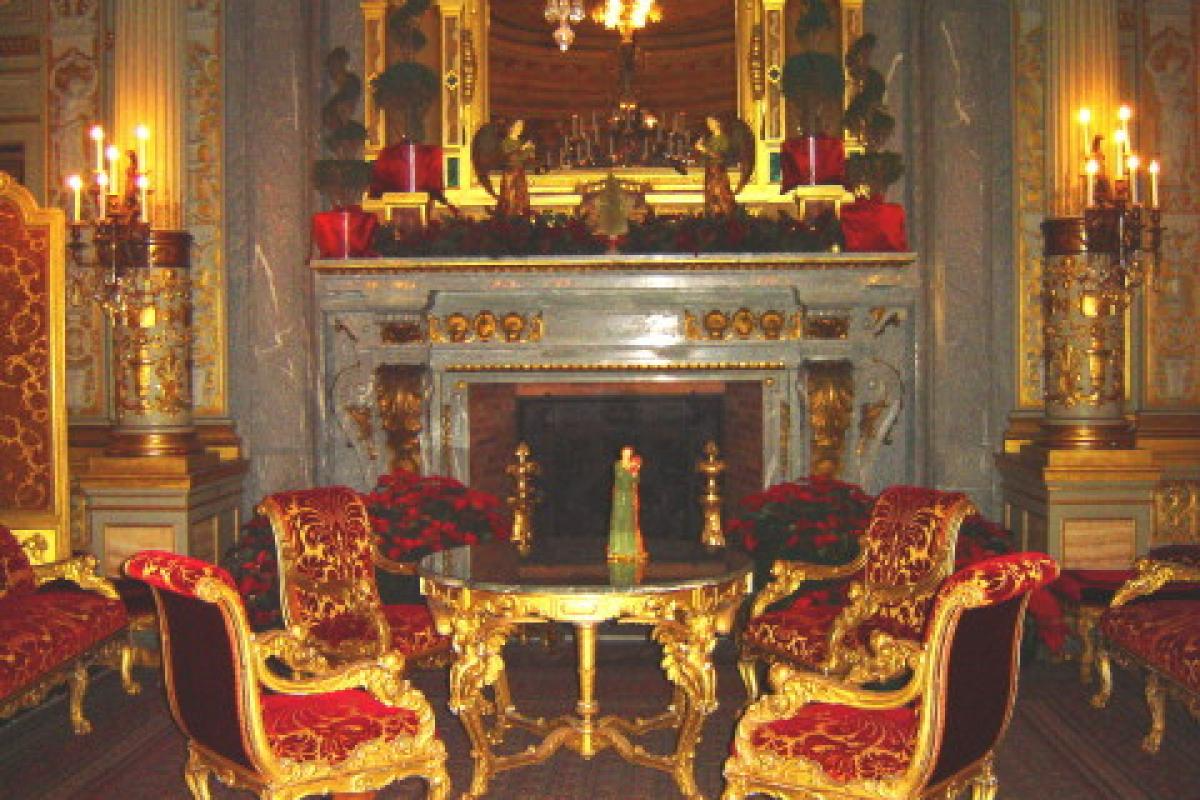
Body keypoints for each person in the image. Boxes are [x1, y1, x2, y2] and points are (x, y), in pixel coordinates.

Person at [695, 115, 736, 215]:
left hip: (718, 172)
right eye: (708, 123)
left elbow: (720, 155)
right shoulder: (710, 139)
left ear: (718, 123)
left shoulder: (724, 139)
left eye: (711, 122)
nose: (709, 125)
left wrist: (704, 149)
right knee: (710, 197)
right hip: (710, 172)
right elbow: (705, 157)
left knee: (721, 196)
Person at [498, 119, 536, 216]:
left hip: (519, 173)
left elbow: (524, 159)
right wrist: (523, 149)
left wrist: (530, 150)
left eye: (521, 126)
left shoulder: (520, 142)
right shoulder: (506, 142)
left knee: (521, 199)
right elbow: (511, 158)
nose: (520, 129)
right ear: (511, 127)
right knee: (510, 200)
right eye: (518, 126)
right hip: (510, 175)